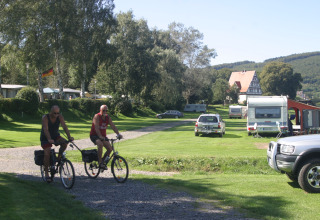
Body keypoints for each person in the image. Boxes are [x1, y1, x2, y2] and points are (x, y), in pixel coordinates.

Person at [40, 105, 74, 182]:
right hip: (45, 137)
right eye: (54, 113)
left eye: (57, 113)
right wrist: (49, 139)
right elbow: (45, 129)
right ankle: (46, 173)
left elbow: (64, 126)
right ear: (51, 112)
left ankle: (59, 158)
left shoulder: (60, 117)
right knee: (47, 153)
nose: (56, 115)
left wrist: (69, 137)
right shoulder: (45, 117)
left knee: (65, 143)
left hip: (55, 136)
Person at [90, 105, 122, 170]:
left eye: (106, 110)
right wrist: (100, 136)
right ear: (100, 110)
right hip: (94, 135)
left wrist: (118, 134)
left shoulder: (108, 117)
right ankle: (100, 162)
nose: (105, 112)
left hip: (103, 136)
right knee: (100, 144)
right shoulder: (97, 116)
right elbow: (96, 128)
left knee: (110, 149)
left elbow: (113, 126)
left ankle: (102, 160)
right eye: (103, 110)